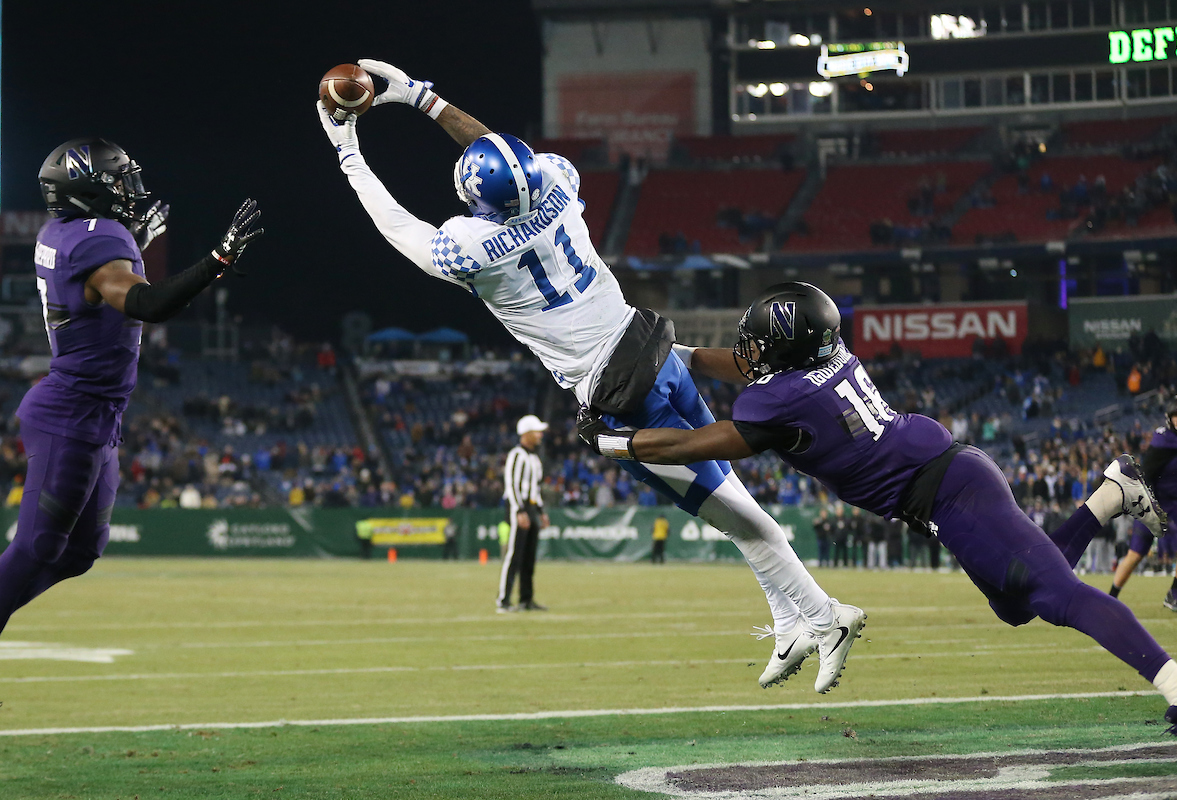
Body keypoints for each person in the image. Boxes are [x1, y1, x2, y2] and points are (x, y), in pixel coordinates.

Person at [316, 59, 862, 693]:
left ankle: (824, 615)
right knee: (730, 496)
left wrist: (348, 151)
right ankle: (791, 618)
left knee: (727, 509)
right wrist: (417, 96)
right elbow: (501, 152)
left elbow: (398, 225)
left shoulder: (468, 247)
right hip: (654, 344)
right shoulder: (553, 180)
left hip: (618, 390)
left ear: (477, 200)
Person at [577, 281, 1177, 786]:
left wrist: (617, 442)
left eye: (762, 343)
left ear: (785, 351)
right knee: (1016, 603)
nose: (751, 352)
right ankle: (1109, 495)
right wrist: (677, 357)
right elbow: (743, 368)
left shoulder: (780, 403)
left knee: (1057, 597)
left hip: (951, 492)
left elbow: (691, 443)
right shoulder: (824, 359)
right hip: (950, 480)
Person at [0, 138, 262, 636]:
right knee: (34, 549)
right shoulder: (102, 239)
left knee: (78, 553)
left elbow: (94, 282)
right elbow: (146, 304)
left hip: (94, 416)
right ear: (85, 191)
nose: (127, 190)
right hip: (71, 414)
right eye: (115, 181)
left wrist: (134, 240)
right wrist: (217, 261)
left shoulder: (66, 233)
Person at [1109, 395, 1177, 614]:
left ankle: (1174, 594)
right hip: (1153, 503)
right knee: (1135, 554)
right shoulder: (1163, 436)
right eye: (1176, 415)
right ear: (1169, 419)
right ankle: (1110, 598)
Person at [498, 415, 550, 613]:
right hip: (517, 507)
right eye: (536, 431)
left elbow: (535, 489)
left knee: (529, 556)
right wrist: (519, 510)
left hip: (530, 506)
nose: (540, 435)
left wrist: (541, 511)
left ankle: (526, 599)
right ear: (526, 434)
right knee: (514, 555)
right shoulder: (516, 455)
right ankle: (503, 600)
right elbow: (511, 485)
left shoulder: (535, 458)